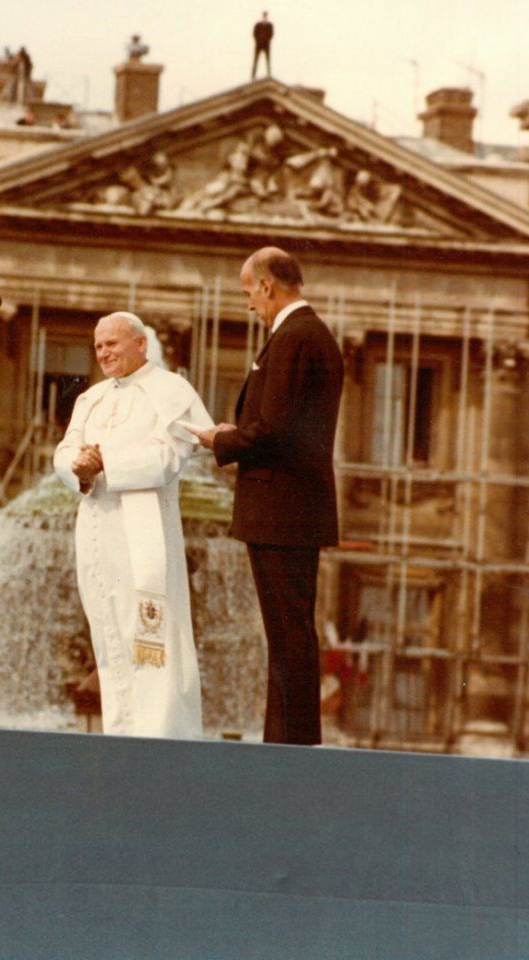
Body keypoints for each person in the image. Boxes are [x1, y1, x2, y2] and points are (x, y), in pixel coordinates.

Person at [190, 248, 343, 745]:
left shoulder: (296, 337)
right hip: (288, 507)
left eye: (248, 293)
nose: (249, 304)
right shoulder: (305, 335)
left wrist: (221, 439)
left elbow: (274, 428)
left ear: (267, 287)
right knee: (287, 631)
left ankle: (291, 743)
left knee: (288, 631)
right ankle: (285, 739)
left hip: (283, 508)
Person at [54, 312, 214, 738]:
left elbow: (170, 458)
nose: (104, 352)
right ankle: (120, 732)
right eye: (98, 346)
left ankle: (161, 738)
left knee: (151, 637)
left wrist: (107, 463)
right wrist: (78, 465)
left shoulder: (172, 390)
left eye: (113, 343)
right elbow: (65, 449)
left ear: (141, 344)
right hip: (97, 527)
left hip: (144, 530)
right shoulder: (92, 398)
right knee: (108, 631)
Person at [252, 12, 274, 80]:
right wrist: (258, 39)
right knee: (256, 59)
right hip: (259, 44)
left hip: (266, 44)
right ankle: (253, 74)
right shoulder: (258, 25)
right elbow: (254, 33)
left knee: (267, 59)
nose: (265, 17)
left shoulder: (270, 25)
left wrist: (267, 39)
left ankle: (269, 73)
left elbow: (271, 34)